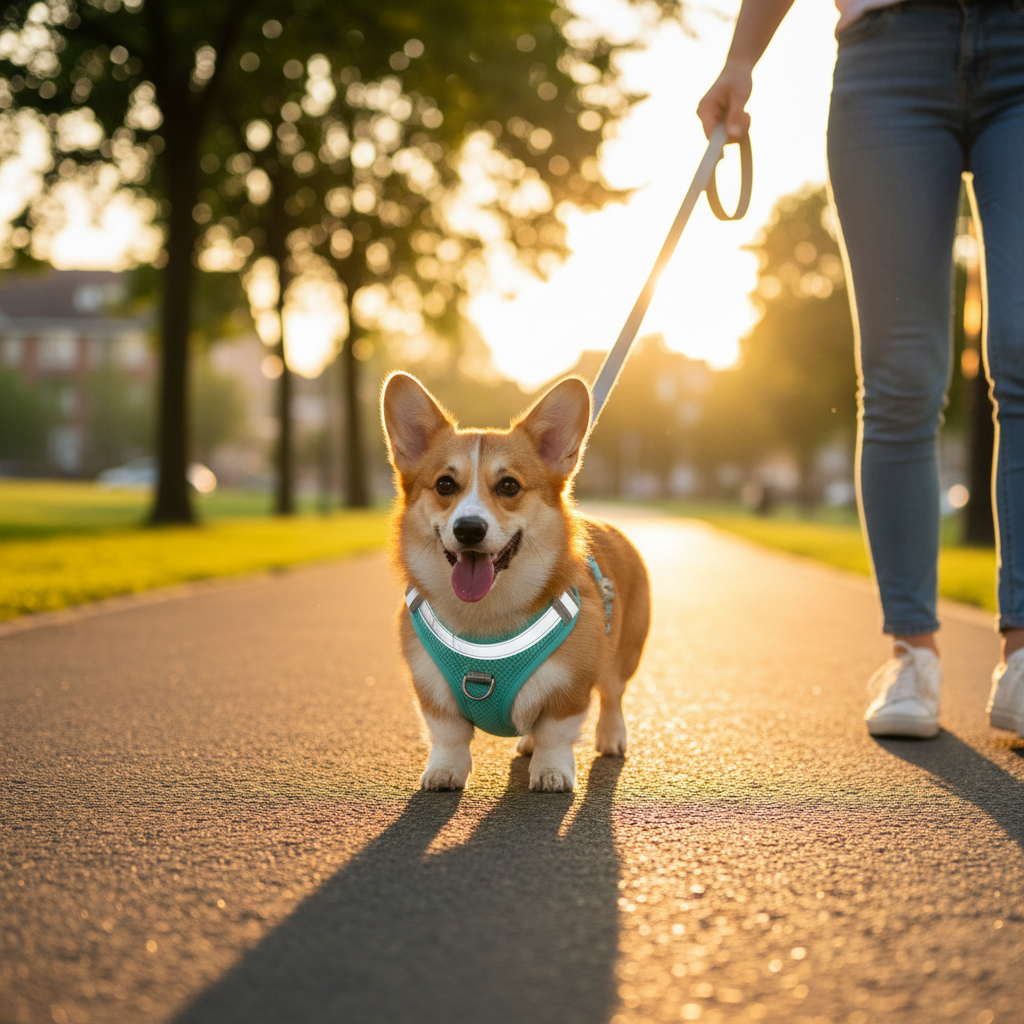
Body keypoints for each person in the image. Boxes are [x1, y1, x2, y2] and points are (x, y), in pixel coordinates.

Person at [698, 0, 1024, 738]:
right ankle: (913, 652)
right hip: (888, 54)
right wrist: (742, 58)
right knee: (901, 376)